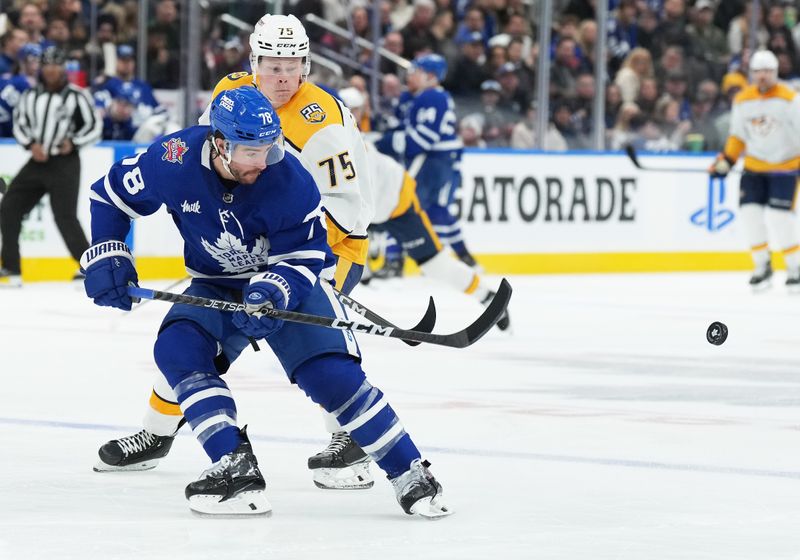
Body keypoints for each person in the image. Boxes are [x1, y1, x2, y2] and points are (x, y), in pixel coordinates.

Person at [81, 86, 451, 518]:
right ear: (220, 143)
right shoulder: (172, 158)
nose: (262, 161)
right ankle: (233, 465)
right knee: (177, 349)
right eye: (249, 152)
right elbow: (108, 194)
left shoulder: (289, 180)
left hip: (287, 284)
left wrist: (275, 288)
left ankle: (411, 472)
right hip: (216, 283)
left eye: (268, 148)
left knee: (329, 375)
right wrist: (109, 251)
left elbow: (309, 253)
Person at [95, 14, 377, 492]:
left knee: (318, 343)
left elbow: (346, 207)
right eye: (272, 63)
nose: (282, 76)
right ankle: (159, 432)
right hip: (249, 246)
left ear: (306, 66)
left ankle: (348, 436)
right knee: (194, 339)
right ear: (254, 61)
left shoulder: (321, 119)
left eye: (292, 65)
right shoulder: (231, 92)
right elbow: (204, 162)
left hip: (327, 245)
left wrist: (284, 267)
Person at [338, 86, 510, 330]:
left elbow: (360, 197)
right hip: (368, 208)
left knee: (434, 264)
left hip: (396, 202)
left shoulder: (351, 142)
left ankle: (487, 296)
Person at [0, 47, 101, 286]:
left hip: (65, 163)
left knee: (65, 216)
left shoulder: (77, 96)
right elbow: (20, 123)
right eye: (46, 65)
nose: (51, 69)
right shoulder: (30, 95)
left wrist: (73, 142)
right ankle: (11, 267)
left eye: (55, 64)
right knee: (9, 208)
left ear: (63, 67)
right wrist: (30, 144)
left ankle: (89, 267)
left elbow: (94, 127)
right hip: (37, 161)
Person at [378, 53, 481, 270]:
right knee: (435, 209)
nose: (411, 76)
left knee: (401, 203)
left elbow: (421, 140)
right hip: (439, 161)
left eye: (416, 72)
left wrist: (386, 142)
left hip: (433, 161)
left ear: (431, 76)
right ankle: (464, 255)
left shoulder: (431, 97)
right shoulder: (422, 96)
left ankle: (394, 259)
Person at [709, 49, 800, 291]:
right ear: (751, 73)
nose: (763, 76)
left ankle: (794, 267)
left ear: (776, 72)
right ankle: (762, 266)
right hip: (754, 167)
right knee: (750, 216)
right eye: (758, 71)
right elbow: (737, 136)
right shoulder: (743, 100)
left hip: (785, 168)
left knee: (781, 218)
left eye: (768, 71)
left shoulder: (790, 99)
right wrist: (726, 160)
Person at [92, 45, 176, 142]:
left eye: (129, 60)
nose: (126, 64)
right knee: (151, 127)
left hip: (144, 134)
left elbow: (158, 110)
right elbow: (98, 112)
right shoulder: (107, 84)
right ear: (116, 61)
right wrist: (112, 112)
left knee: (171, 127)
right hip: (121, 135)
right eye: (123, 60)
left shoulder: (143, 86)